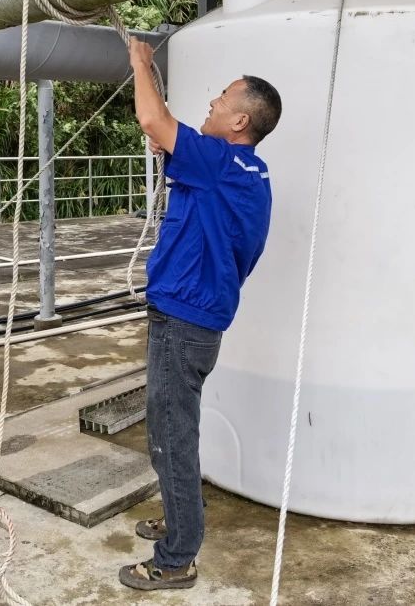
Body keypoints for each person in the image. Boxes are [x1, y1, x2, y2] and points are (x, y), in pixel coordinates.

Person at [118, 38, 282, 592]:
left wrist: (141, 64)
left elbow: (152, 119)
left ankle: (177, 558)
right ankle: (180, 519)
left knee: (170, 436)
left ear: (240, 120)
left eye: (221, 98)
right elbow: (164, 128)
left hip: (183, 324)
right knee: (171, 430)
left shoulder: (219, 165)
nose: (212, 102)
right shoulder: (241, 171)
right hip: (192, 320)